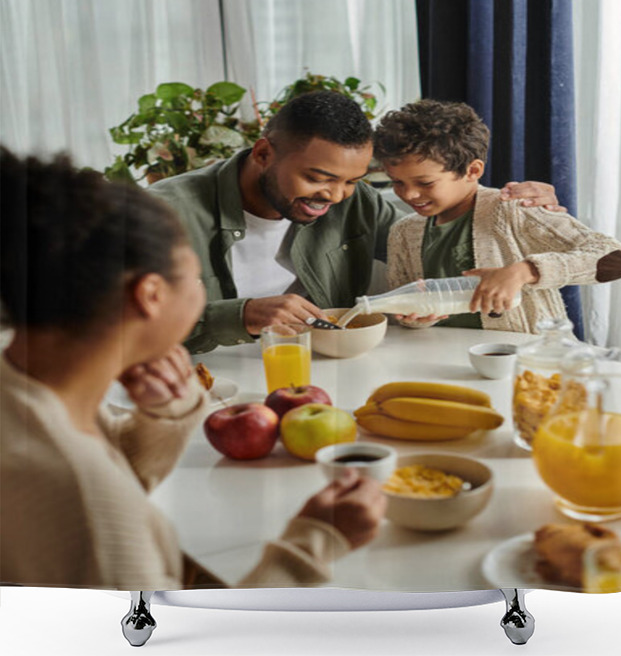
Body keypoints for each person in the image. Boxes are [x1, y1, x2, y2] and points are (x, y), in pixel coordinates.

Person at [0, 147, 385, 589]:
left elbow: (108, 465)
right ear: (151, 295)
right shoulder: (79, 497)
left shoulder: (30, 391)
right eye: (193, 279)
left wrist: (164, 416)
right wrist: (314, 542)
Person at [150, 90, 564, 353]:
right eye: (317, 178)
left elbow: (435, 240)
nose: (334, 196)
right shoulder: (162, 214)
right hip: (200, 386)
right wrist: (241, 316)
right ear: (263, 155)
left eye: (351, 181)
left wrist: (510, 208)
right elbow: (120, 326)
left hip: (322, 375)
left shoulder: (355, 202)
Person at [372, 100, 621, 333]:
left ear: (472, 170)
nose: (409, 194)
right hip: (447, 361)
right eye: (397, 182)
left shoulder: (514, 210)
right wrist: (417, 317)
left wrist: (523, 272)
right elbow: (405, 315)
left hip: (525, 362)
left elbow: (615, 258)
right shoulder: (403, 232)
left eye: (426, 183)